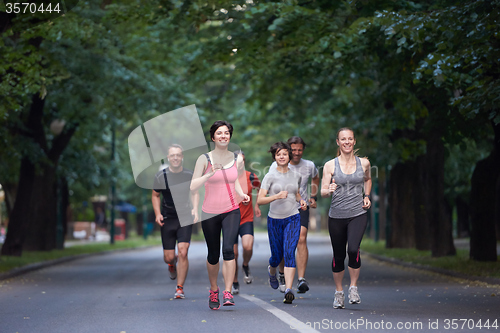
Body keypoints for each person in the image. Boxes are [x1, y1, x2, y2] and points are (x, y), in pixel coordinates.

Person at [190, 120, 250, 310]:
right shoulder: (204, 159)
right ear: (213, 137)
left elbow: (235, 181)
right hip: (209, 212)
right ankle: (214, 289)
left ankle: (228, 291)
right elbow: (193, 186)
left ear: (230, 136)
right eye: (219, 133)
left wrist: (242, 194)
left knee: (229, 251)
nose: (223, 136)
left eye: (226, 133)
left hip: (231, 210)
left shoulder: (236, 158)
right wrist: (208, 174)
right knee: (213, 254)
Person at [320, 127, 372, 309]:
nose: (347, 142)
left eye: (350, 139)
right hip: (336, 216)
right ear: (338, 142)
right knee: (339, 255)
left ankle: (354, 288)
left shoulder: (364, 163)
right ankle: (339, 292)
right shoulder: (330, 165)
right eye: (343, 139)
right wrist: (329, 190)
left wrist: (366, 196)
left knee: (354, 249)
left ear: (354, 141)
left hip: (358, 213)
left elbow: (367, 179)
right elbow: (323, 192)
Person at [257, 142, 307, 304]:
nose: (282, 156)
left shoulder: (296, 175)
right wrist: (276, 196)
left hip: (293, 217)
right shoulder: (270, 176)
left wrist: (302, 201)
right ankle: (272, 272)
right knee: (276, 257)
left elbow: (297, 194)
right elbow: (260, 199)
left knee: (289, 252)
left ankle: (288, 289)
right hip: (275, 220)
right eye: (279, 154)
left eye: (285, 153)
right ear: (275, 157)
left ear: (289, 156)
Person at [270, 136, 319, 293]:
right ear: (288, 150)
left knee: (301, 238)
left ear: (303, 150)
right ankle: (283, 273)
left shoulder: (309, 165)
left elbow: (316, 178)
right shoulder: (276, 165)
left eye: (300, 150)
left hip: (300, 207)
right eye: (294, 150)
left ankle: (301, 279)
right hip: (282, 209)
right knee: (285, 244)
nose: (297, 153)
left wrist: (313, 196)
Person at [152, 144, 199, 299]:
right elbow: (155, 195)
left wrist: (195, 208)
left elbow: (194, 193)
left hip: (185, 216)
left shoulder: (189, 175)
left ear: (182, 157)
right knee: (169, 257)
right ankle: (171, 265)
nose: (176, 158)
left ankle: (180, 288)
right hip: (167, 217)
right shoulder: (161, 176)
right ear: (168, 157)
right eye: (173, 155)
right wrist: (158, 213)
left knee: (183, 252)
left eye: (178, 155)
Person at [232, 151, 261, 295]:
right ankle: (235, 282)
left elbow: (260, 188)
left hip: (246, 218)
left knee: (247, 246)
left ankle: (245, 265)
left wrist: (256, 205)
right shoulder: (227, 178)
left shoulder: (250, 176)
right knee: (234, 254)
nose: (239, 164)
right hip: (230, 219)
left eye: (242, 161)